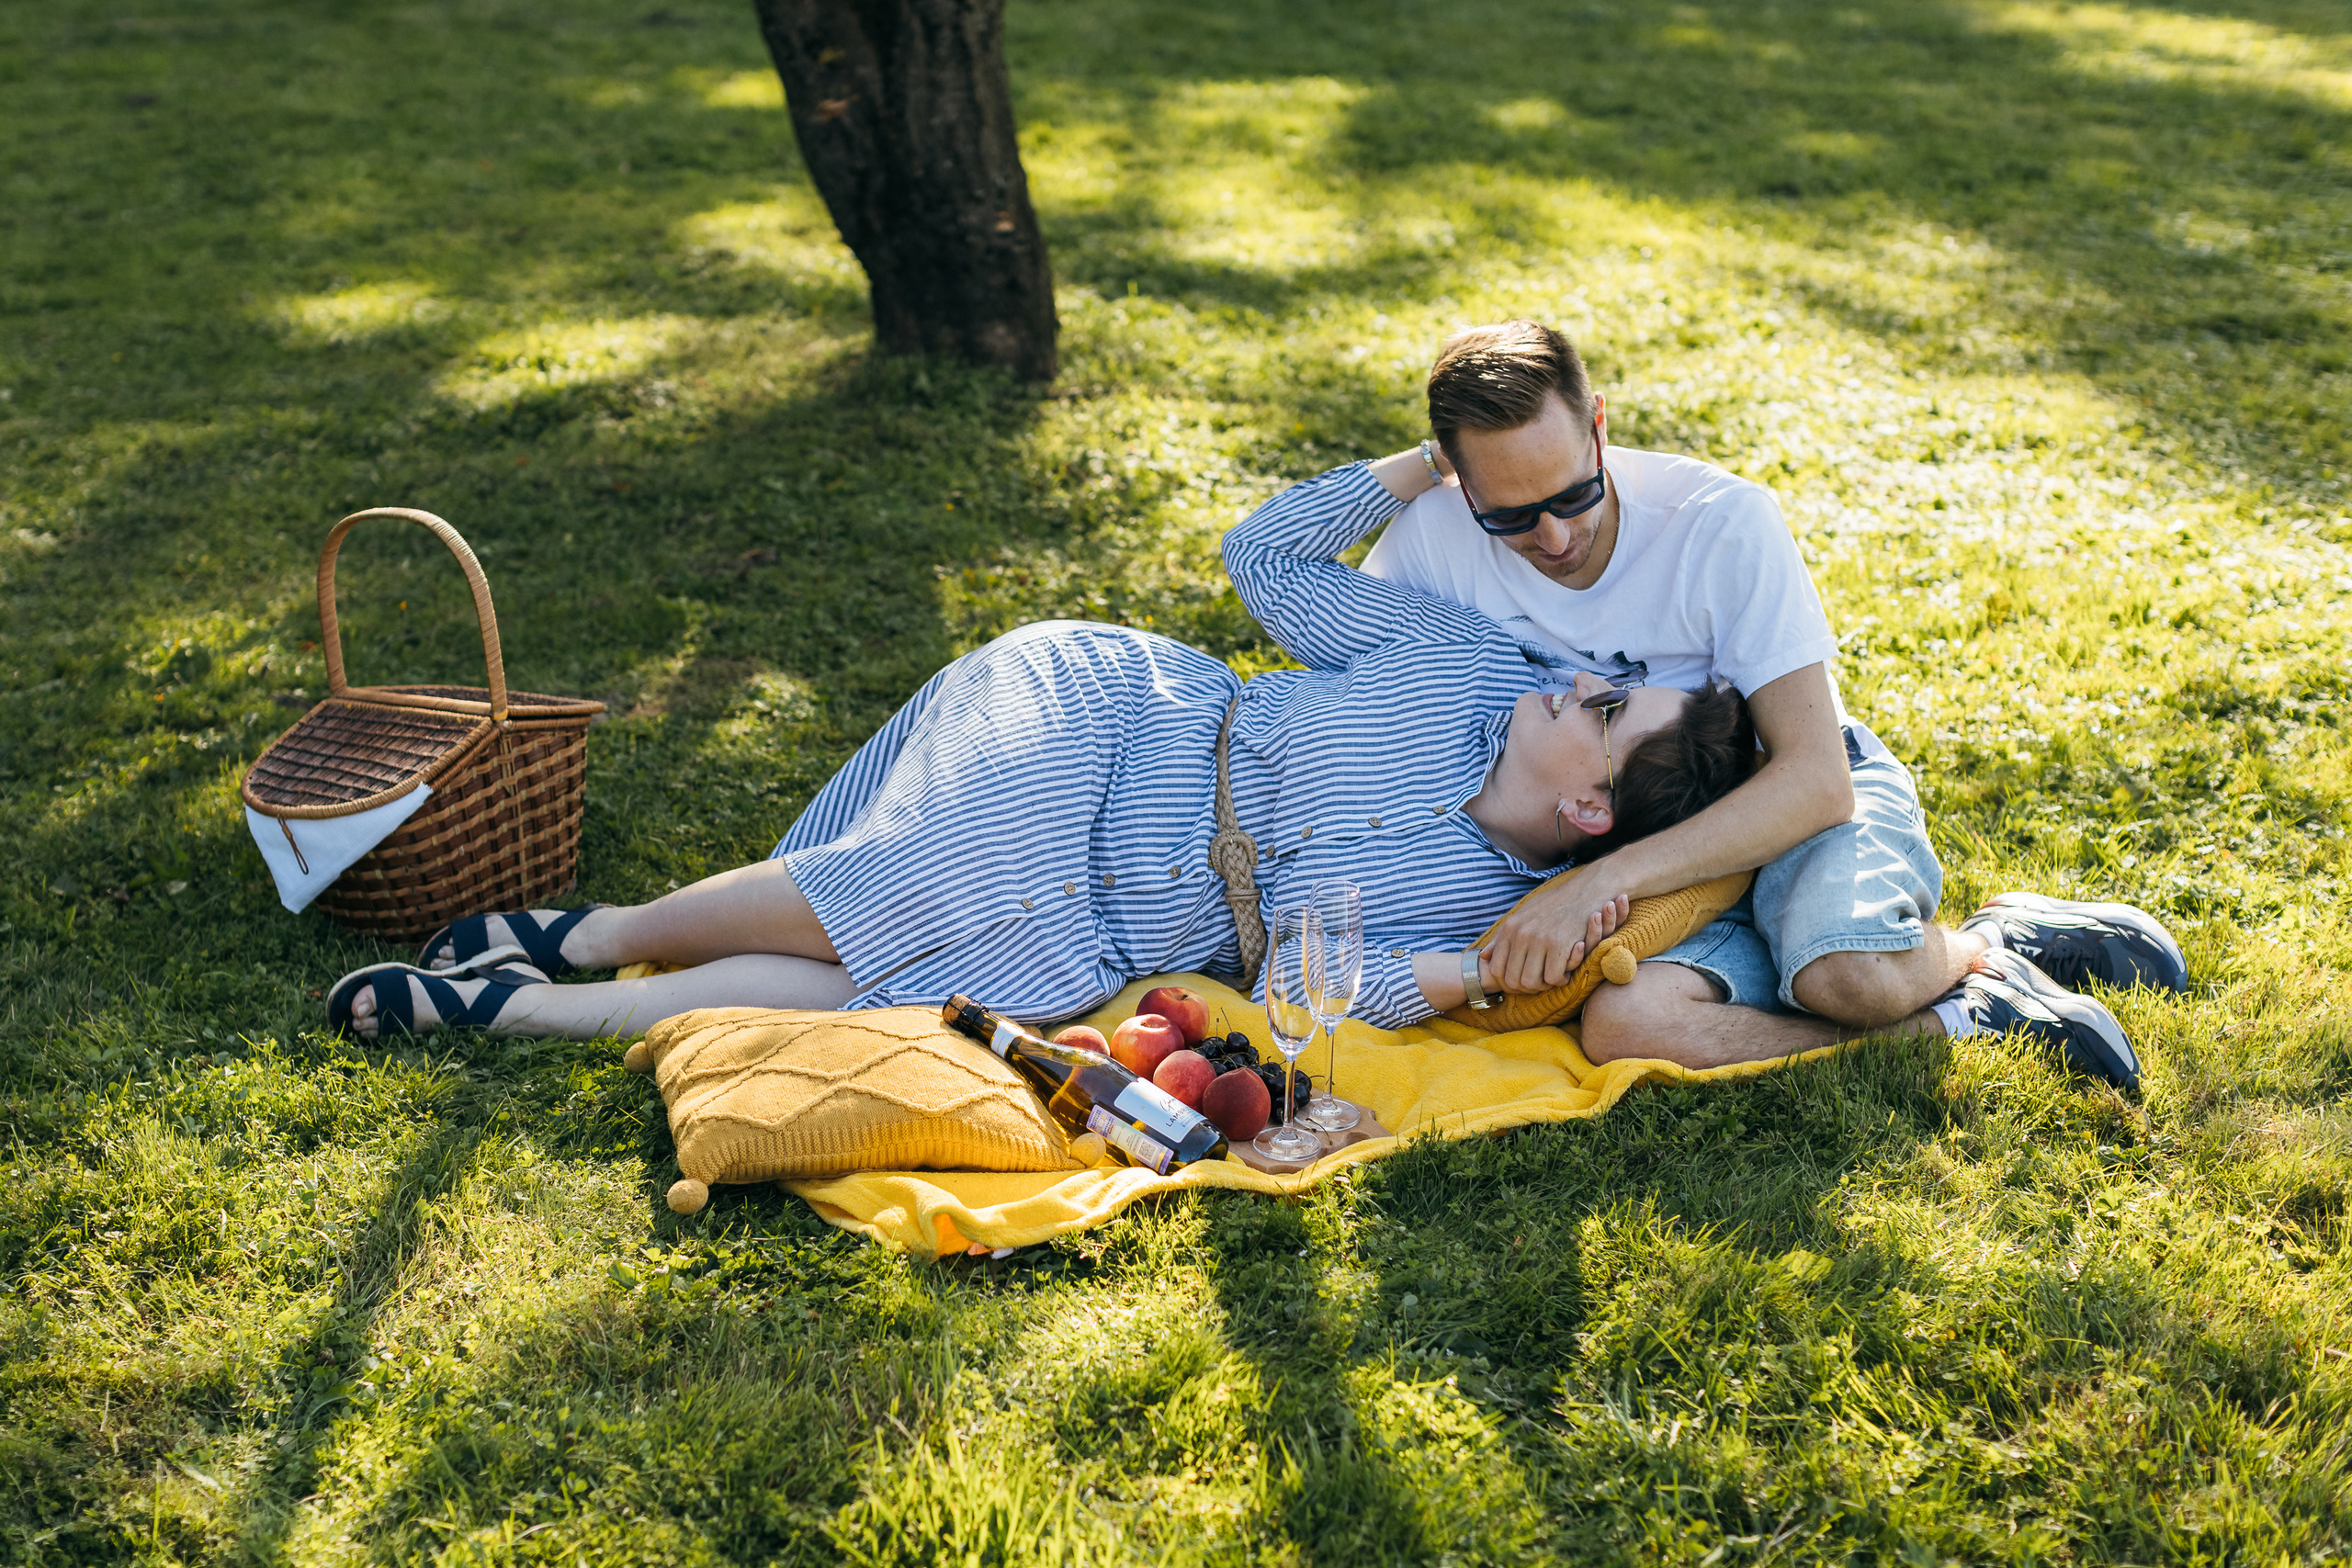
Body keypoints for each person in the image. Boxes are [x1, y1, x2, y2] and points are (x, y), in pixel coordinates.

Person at [328, 444, 1757, 1043]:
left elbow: (1332, 993)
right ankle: (594, 935)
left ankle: (526, 1003)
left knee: (911, 988)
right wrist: (1425, 467)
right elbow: (1265, 559)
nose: (1588, 681)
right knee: (922, 882)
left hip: (1122, 917)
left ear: (1591, 808)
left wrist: (1468, 972)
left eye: (1614, 708)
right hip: (1113, 726)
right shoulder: (1460, 656)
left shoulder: (1492, 905)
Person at [1339, 320, 2185, 1089]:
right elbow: (1365, 705)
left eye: (1572, 496)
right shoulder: (1432, 540)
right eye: (1514, 516)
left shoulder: (1719, 523)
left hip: (1776, 800)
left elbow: (1818, 780)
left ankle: (1984, 945)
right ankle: (1960, 1015)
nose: (1554, 539)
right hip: (1641, 863)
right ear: (1458, 477)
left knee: (1842, 973)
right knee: (1628, 1025)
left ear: (1598, 426)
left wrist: (1602, 878)